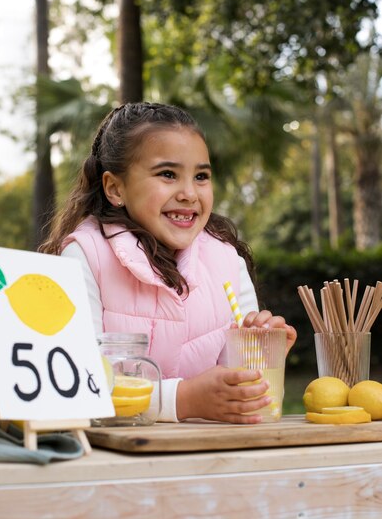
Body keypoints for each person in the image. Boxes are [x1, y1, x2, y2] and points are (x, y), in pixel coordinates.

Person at [40, 102, 297, 423]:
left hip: (211, 461)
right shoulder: (85, 256)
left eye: (201, 176)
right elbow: (73, 382)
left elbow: (253, 401)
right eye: (167, 174)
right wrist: (182, 399)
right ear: (115, 188)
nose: (189, 192)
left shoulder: (226, 261)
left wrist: (261, 354)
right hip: (117, 461)